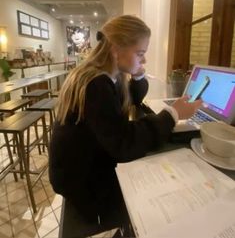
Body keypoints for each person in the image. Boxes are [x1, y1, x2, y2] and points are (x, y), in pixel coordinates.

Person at [49, 15, 201, 235]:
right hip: (79, 177)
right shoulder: (96, 84)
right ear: (116, 48)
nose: (145, 60)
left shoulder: (110, 75)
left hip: (89, 159)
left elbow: (132, 99)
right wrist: (173, 113)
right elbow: (123, 143)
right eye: (140, 54)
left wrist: (137, 75)